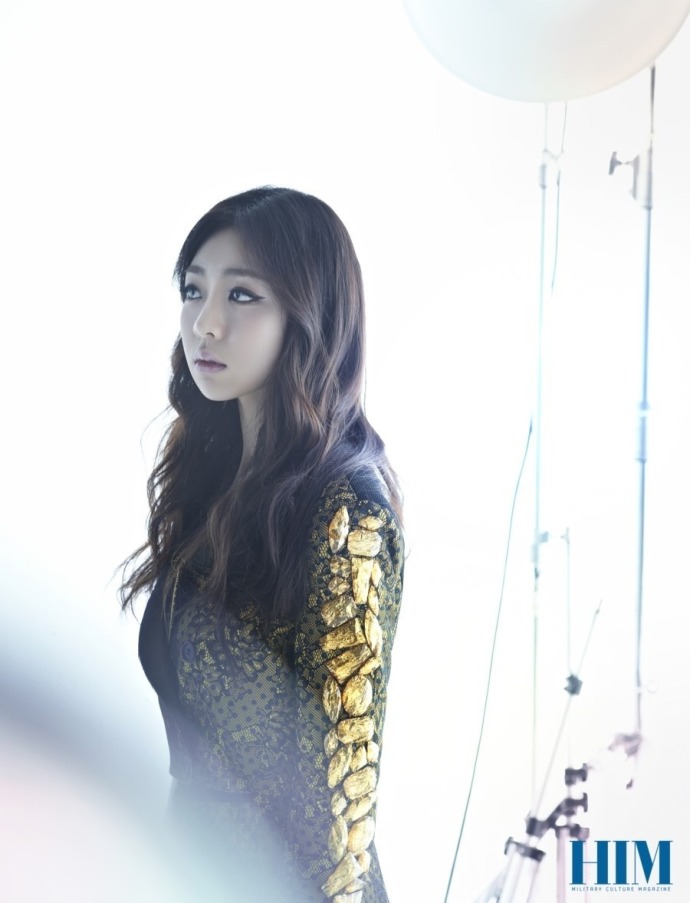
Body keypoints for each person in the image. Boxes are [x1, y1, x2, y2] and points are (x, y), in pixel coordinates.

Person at [120, 187, 404, 902]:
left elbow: (343, 799)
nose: (205, 323)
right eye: (194, 290)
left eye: (241, 295)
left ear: (308, 317)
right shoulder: (216, 480)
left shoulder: (346, 510)